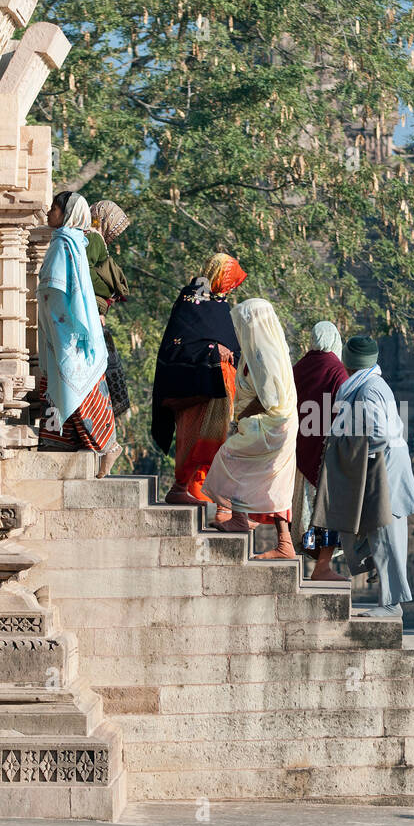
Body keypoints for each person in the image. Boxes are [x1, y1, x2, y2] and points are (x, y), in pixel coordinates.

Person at [313, 335, 414, 617]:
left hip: (383, 466)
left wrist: (346, 448)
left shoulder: (369, 389)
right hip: (377, 464)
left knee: (386, 533)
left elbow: (379, 435)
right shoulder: (363, 385)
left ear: (348, 362)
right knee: (372, 530)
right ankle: (383, 590)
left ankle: (391, 604)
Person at [203, 298, 299, 559]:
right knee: (274, 483)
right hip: (276, 423)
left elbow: (269, 398)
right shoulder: (259, 349)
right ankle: (283, 542)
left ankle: (239, 518)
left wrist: (240, 419)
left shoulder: (263, 353)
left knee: (229, 458)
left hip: (272, 423)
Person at [36, 191, 120, 478]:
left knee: (78, 385)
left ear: (66, 213)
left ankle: (108, 447)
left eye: (54, 209)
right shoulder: (70, 241)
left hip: (69, 329)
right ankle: (60, 444)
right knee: (59, 385)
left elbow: (63, 288)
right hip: (58, 328)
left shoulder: (66, 242)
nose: (49, 213)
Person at [151, 253, 246, 505]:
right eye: (230, 284)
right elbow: (177, 345)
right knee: (192, 435)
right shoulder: (192, 300)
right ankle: (181, 486)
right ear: (219, 278)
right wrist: (213, 350)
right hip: (195, 383)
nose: (231, 290)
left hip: (221, 385)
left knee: (215, 438)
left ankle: (198, 486)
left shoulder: (219, 304)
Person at [292, 321, 349, 580]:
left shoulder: (298, 367)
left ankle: (295, 558)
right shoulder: (337, 370)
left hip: (299, 449)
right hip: (326, 453)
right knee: (326, 510)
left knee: (301, 507)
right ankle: (323, 567)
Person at [85, 200, 133, 418]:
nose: (114, 234)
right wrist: (104, 293)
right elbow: (86, 275)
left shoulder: (95, 240)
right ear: (103, 220)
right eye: (112, 226)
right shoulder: (92, 238)